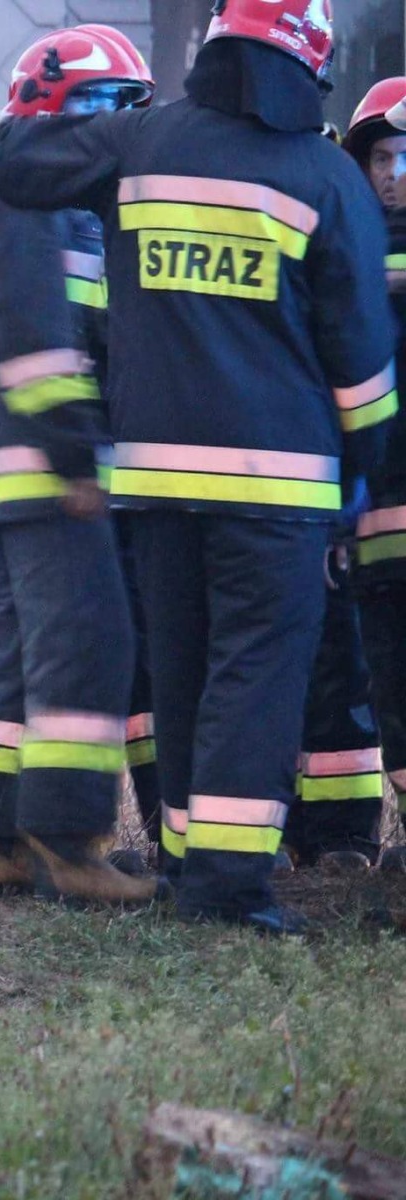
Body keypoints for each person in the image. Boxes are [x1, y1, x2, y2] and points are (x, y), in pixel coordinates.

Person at [0, 0, 399, 932]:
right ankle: (227, 889)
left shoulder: (141, 142)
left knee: (178, 677)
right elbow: (360, 363)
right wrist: (364, 472)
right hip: (277, 491)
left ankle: (184, 861)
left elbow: (18, 159)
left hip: (149, 485)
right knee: (255, 678)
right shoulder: (324, 176)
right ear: (312, 62)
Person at [0, 25, 156, 905]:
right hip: (51, 466)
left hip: (19, 468)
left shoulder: (25, 197)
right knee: (88, 647)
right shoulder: (35, 201)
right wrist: (79, 454)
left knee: (21, 656)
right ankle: (71, 844)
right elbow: (36, 340)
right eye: (108, 108)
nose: (117, 131)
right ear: (54, 107)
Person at [340, 78, 406, 871]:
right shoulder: (346, 246)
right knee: (388, 676)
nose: (395, 172)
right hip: (376, 513)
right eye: (383, 157)